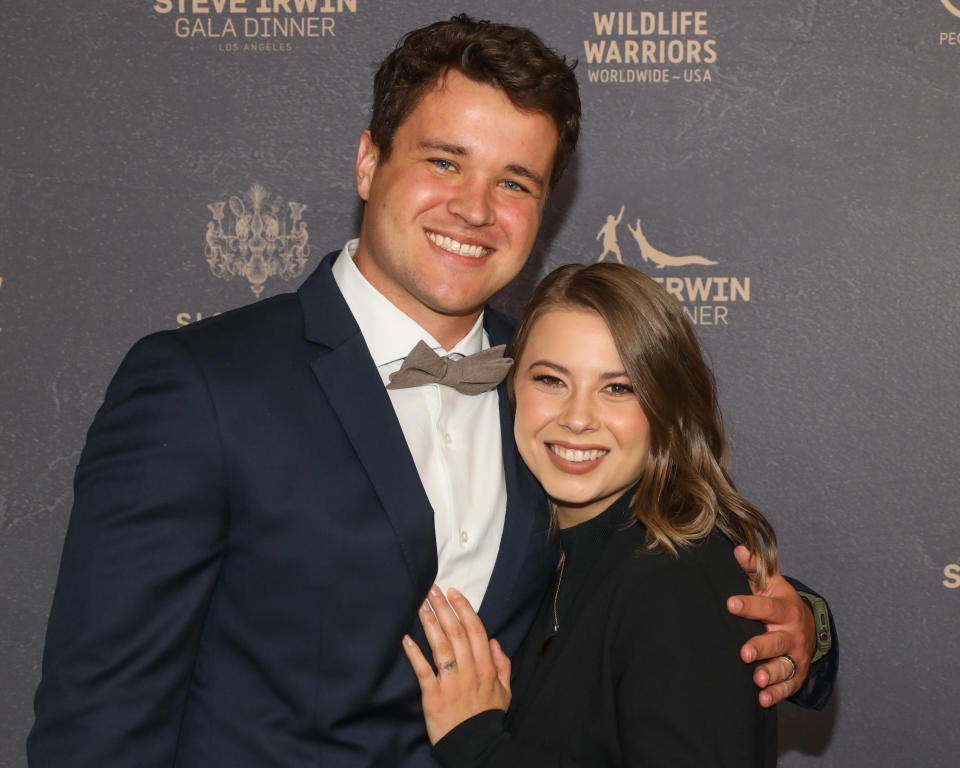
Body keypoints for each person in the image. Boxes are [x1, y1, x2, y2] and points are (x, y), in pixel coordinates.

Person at [28, 15, 834, 768]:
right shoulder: (201, 385)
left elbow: (649, 550)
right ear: (370, 161)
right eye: (445, 161)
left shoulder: (552, 385)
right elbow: (98, 718)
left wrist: (801, 626)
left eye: (515, 182)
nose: (475, 209)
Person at [404, 263, 787, 765]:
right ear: (511, 390)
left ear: (667, 409)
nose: (578, 418)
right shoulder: (552, 554)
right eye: (550, 380)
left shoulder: (675, 582)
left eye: (617, 388)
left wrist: (478, 744)